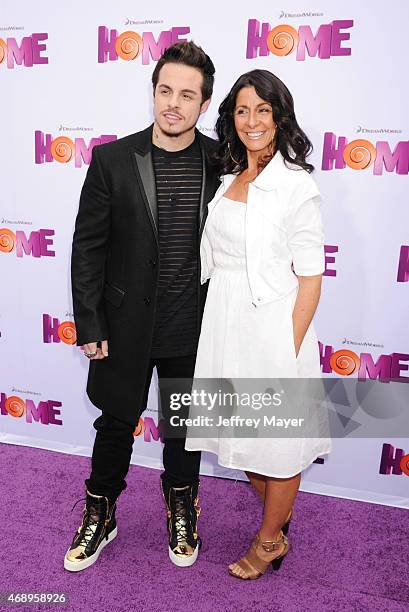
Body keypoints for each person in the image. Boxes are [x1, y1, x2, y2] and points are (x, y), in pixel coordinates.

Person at [65, 42, 219, 572]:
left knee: (182, 428)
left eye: (187, 95)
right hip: (125, 326)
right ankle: (100, 514)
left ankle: (182, 507)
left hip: (193, 326)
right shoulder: (112, 158)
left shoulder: (222, 161)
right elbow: (88, 247)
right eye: (165, 91)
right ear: (154, 92)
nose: (173, 104)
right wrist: (90, 320)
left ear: (204, 103)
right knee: (115, 423)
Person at [185, 69, 331, 579]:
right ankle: (280, 520)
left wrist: (284, 348)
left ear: (280, 117)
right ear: (231, 118)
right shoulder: (228, 180)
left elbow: (311, 280)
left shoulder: (296, 186)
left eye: (263, 111)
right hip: (225, 325)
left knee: (279, 442)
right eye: (242, 110)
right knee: (241, 435)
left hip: (274, 327)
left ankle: (269, 538)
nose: (252, 121)